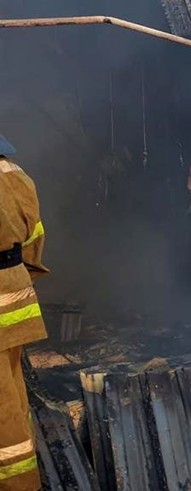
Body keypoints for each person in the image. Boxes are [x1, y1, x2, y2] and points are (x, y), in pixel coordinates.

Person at [0, 136, 48, 489]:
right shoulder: (18, 176)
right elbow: (34, 240)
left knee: (3, 413)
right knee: (12, 393)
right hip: (16, 297)